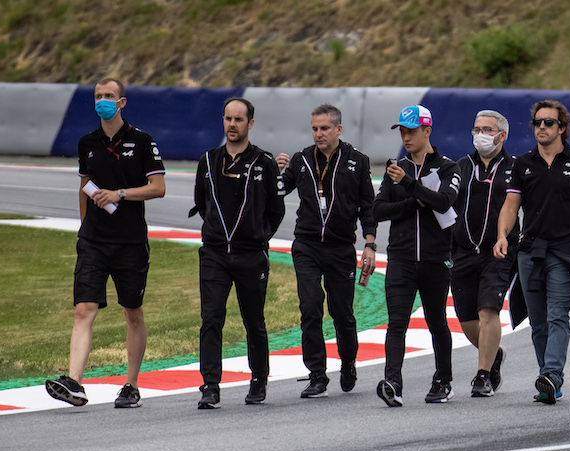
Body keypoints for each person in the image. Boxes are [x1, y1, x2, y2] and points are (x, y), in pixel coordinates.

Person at [45, 77, 165, 409]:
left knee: (133, 313)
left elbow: (158, 187)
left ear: (122, 102)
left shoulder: (142, 141)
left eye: (109, 96)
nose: (103, 101)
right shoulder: (87, 142)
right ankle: (74, 382)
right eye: (98, 96)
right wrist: (85, 229)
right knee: (83, 310)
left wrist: (120, 194)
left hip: (130, 242)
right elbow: (84, 185)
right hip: (94, 241)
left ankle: (131, 385)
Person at [494, 99, 570, 405]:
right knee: (538, 321)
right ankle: (548, 379)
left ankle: (553, 375)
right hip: (530, 251)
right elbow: (510, 205)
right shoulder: (522, 163)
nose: (541, 128)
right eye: (537, 123)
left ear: (562, 128)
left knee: (558, 315)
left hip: (563, 252)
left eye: (548, 123)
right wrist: (502, 235)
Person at [276, 104, 377, 398]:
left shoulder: (358, 161)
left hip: (340, 246)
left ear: (338, 129)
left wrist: (369, 243)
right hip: (306, 244)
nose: (319, 134)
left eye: (324, 128)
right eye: (315, 129)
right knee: (310, 306)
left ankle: (348, 362)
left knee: (342, 312)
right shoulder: (302, 159)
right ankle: (317, 374)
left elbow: (367, 206)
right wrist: (277, 171)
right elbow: (278, 190)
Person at [191, 97, 285, 409]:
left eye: (239, 120)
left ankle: (259, 378)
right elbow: (203, 204)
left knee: (254, 320)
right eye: (228, 119)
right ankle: (210, 386)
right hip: (215, 254)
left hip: (251, 255)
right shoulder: (208, 160)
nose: (233, 125)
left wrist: (258, 236)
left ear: (250, 124)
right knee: (211, 318)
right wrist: (219, 233)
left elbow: (276, 209)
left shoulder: (265, 162)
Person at [372, 104, 460, 407]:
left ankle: (442, 380)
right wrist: (412, 202)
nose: (406, 137)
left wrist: (409, 186)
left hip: (436, 260)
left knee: (437, 321)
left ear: (427, 131)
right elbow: (379, 209)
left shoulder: (449, 167)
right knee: (396, 322)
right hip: (401, 258)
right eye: (403, 132)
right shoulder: (397, 168)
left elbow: (444, 202)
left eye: (412, 131)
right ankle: (392, 381)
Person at [451, 109, 515, 397]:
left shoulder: (516, 168)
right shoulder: (459, 167)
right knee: (467, 321)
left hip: (499, 252)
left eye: (488, 130)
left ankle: (483, 375)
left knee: (488, 310)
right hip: (462, 252)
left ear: (502, 135)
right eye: (477, 129)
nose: (481, 135)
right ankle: (494, 354)